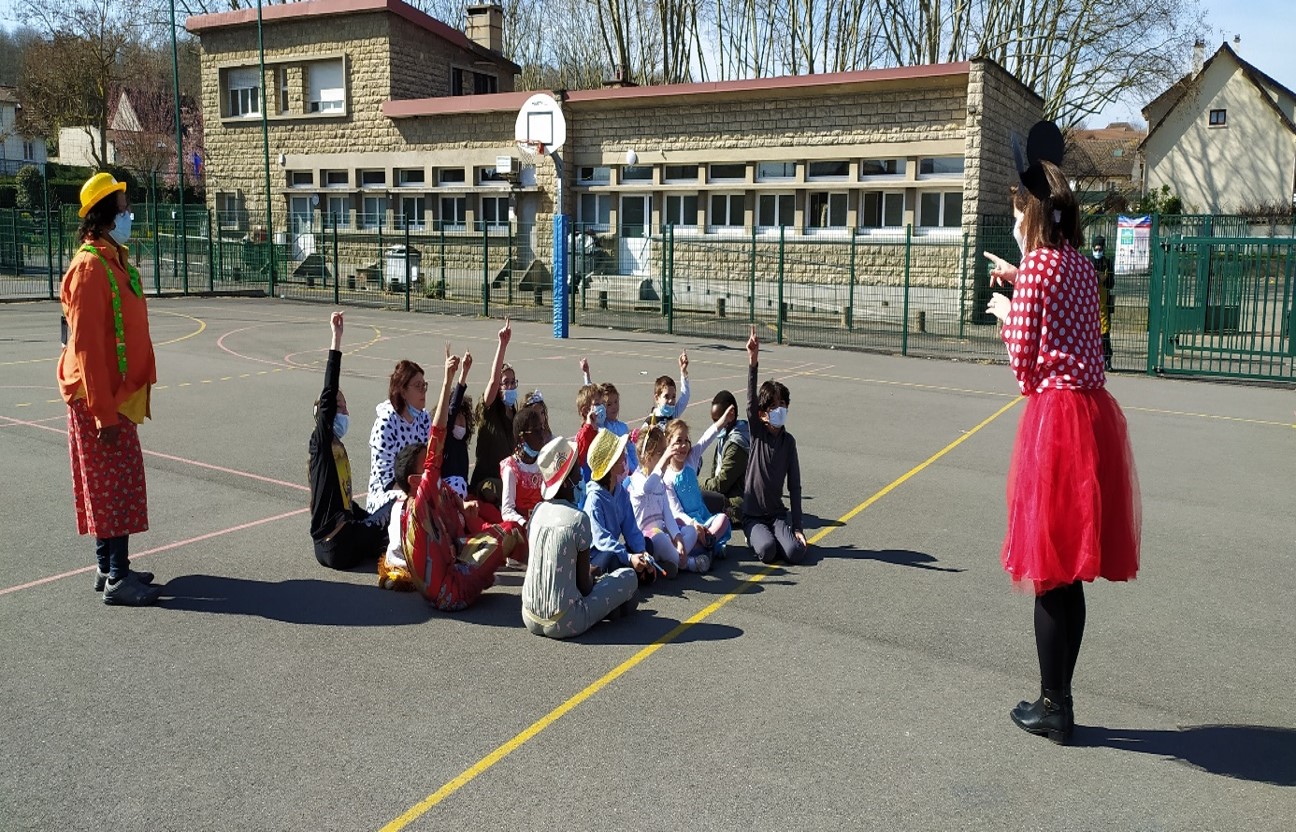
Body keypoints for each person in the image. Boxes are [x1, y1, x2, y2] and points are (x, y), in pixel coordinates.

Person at [984, 129, 1140, 745]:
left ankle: (1053, 707)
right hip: (1093, 416)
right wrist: (1019, 283)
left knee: (1049, 569)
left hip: (1054, 421)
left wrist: (1005, 309)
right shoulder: (1074, 262)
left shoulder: (1040, 269)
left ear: (1027, 211)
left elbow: (1024, 366)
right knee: (1070, 570)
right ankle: (1062, 698)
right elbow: (1073, 330)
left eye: (1016, 210)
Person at [59, 172, 160, 605]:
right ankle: (118, 577)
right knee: (113, 488)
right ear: (104, 216)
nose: (129, 215)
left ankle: (110, 566)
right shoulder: (88, 268)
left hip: (120, 396)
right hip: (101, 400)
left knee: (114, 485)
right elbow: (84, 349)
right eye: (123, 209)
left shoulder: (111, 259)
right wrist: (102, 413)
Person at [389, 346, 523, 611]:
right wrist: (449, 378)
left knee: (491, 532)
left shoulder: (419, 501)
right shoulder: (424, 493)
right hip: (451, 590)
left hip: (442, 581)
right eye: (425, 462)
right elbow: (438, 431)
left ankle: (496, 570)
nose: (431, 460)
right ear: (416, 480)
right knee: (509, 532)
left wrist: (464, 509)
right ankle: (541, 569)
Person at [522, 436, 639, 638]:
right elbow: (584, 587)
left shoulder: (538, 511)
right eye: (576, 471)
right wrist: (594, 577)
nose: (581, 477)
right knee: (628, 578)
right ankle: (609, 608)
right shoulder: (578, 519)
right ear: (567, 482)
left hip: (529, 615)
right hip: (566, 620)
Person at [309, 311, 386, 570]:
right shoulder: (321, 442)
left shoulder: (335, 449)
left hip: (331, 544)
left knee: (379, 519)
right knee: (397, 513)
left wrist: (367, 516)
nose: (344, 411)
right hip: (337, 543)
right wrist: (336, 339)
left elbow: (345, 504)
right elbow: (329, 390)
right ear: (324, 415)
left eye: (345, 406)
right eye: (338, 407)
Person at [742, 325, 807, 565]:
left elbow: (795, 487)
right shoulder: (758, 432)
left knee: (795, 552)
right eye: (774, 406)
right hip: (753, 516)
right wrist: (753, 360)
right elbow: (750, 403)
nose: (780, 410)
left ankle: (781, 535)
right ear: (763, 414)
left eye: (783, 404)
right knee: (768, 551)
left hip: (777, 514)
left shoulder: (789, 442)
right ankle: (754, 536)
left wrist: (798, 527)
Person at [582, 428, 658, 585]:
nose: (624, 456)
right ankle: (631, 576)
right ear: (610, 466)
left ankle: (638, 572)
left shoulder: (620, 491)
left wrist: (642, 552)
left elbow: (631, 528)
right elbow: (602, 541)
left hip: (614, 549)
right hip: (598, 555)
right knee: (613, 558)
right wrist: (630, 558)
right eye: (620, 455)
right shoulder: (594, 499)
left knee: (647, 543)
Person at [662, 412, 735, 568]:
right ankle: (708, 548)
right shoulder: (667, 477)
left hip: (704, 518)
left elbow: (706, 438)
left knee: (723, 519)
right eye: (678, 441)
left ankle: (707, 546)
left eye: (686, 441)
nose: (682, 446)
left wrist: (723, 420)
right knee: (686, 536)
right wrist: (694, 525)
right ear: (668, 444)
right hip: (687, 524)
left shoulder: (691, 459)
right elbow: (677, 512)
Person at [366, 358, 430, 527]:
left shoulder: (423, 418)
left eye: (424, 385)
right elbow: (387, 481)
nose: (423, 391)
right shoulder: (386, 423)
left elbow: (429, 463)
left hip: (416, 490)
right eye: (418, 386)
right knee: (411, 506)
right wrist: (415, 497)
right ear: (402, 390)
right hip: (388, 497)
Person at [625, 425, 686, 577]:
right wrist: (665, 459)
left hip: (663, 534)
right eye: (661, 453)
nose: (666, 457)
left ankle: (671, 560)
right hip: (647, 539)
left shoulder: (660, 481)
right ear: (648, 457)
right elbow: (648, 488)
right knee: (659, 539)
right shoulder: (637, 480)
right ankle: (690, 563)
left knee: (688, 531)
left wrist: (678, 539)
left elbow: (668, 515)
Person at [469, 317, 515, 506]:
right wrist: (502, 345)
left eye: (513, 382)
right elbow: (493, 380)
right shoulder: (489, 410)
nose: (510, 386)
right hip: (487, 483)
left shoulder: (513, 414)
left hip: (507, 480)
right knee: (495, 489)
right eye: (506, 382)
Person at [578, 358, 638, 473]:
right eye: (609, 404)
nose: (614, 407)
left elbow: (630, 453)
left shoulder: (623, 427)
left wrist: (635, 471)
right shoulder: (601, 426)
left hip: (625, 473)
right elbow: (591, 397)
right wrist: (587, 374)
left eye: (616, 402)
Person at [699, 389, 750, 522]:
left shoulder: (736, 445)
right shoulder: (726, 436)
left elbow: (720, 485)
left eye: (717, 420)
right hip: (727, 494)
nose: (716, 424)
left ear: (731, 415)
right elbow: (715, 473)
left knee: (694, 496)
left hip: (738, 501)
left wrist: (694, 480)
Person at [499, 405, 546, 542]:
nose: (541, 434)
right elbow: (507, 510)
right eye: (536, 431)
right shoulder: (512, 468)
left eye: (541, 428)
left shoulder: (544, 462)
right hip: (523, 529)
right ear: (522, 438)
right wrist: (525, 523)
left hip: (542, 524)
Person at [442, 348, 476, 497]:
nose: (461, 422)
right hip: (447, 494)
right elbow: (453, 407)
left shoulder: (462, 446)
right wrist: (463, 374)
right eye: (458, 418)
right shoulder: (446, 439)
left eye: (464, 419)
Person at [641, 350, 691, 430]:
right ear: (657, 398)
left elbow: (685, 395)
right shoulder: (650, 422)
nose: (671, 400)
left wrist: (683, 372)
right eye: (666, 396)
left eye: (673, 396)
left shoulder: (673, 414)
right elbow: (640, 440)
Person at [1092, 235, 1115, 371]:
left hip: (1103, 304)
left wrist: (1102, 278)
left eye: (1100, 249)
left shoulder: (1108, 262)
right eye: (1096, 249)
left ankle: (1107, 360)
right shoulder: (1088, 261)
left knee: (1104, 333)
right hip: (1089, 304)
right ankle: (1092, 361)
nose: (1098, 251)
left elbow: (1111, 283)